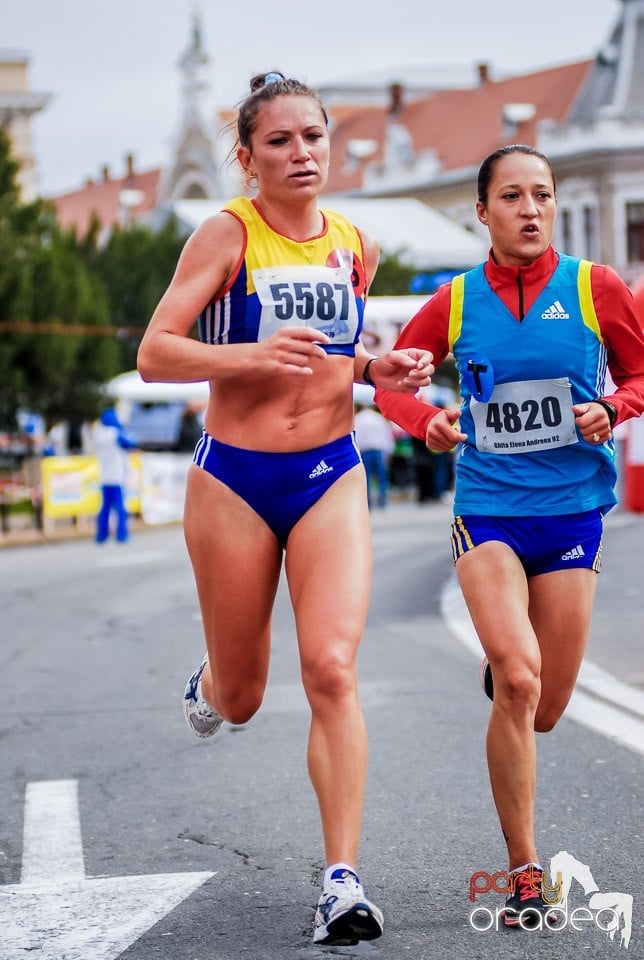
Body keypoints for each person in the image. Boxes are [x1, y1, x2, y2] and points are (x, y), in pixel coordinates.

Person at [137, 71, 433, 947]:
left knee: (334, 669)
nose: (301, 153)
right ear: (248, 157)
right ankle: (213, 682)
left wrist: (379, 374)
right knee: (244, 697)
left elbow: (338, 358)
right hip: (234, 479)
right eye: (280, 141)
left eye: (314, 136)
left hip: (329, 475)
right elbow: (156, 353)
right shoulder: (226, 236)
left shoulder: (356, 245)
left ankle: (340, 882)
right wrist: (250, 355)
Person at [375, 145, 644, 929]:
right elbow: (397, 381)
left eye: (543, 196)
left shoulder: (595, 289)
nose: (531, 210)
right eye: (514, 197)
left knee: (546, 706)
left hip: (570, 514)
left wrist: (614, 409)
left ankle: (513, 679)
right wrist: (426, 420)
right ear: (483, 211)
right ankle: (525, 871)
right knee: (520, 683)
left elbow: (639, 375)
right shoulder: (455, 301)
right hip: (488, 506)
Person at [91, 407, 137, 544]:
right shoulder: (115, 433)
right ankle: (122, 534)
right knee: (120, 508)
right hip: (117, 476)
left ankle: (101, 535)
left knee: (104, 508)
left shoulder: (97, 433)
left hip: (104, 476)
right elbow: (131, 443)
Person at [353, 403, 395, 508]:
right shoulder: (379, 418)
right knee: (381, 477)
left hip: (365, 451)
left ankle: (368, 503)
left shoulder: (358, 419)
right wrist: (389, 451)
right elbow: (386, 435)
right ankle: (382, 501)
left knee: (366, 478)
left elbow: (356, 437)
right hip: (378, 450)